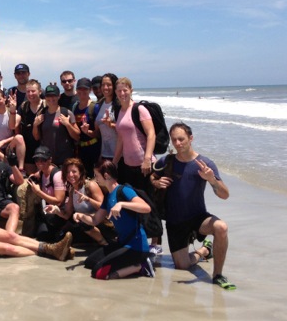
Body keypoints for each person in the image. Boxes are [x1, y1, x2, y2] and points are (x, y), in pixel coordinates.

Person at [151, 123, 235, 290]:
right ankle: (204, 251)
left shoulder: (204, 163)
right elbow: (151, 177)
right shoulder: (167, 161)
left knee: (221, 227)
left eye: (181, 139)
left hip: (198, 218)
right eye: (174, 140)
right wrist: (156, 182)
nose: (177, 143)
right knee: (182, 266)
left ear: (191, 138)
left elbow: (225, 195)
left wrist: (211, 179)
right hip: (175, 222)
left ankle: (217, 275)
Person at [75, 160, 153, 280]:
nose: (95, 179)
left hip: (136, 247)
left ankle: (140, 266)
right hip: (122, 243)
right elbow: (95, 220)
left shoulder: (124, 190)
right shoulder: (108, 197)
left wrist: (122, 204)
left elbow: (146, 208)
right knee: (89, 263)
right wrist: (80, 216)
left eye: (97, 176)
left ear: (106, 175)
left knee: (98, 273)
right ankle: (131, 263)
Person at [113, 76, 161, 252]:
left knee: (150, 204)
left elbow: (151, 134)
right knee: (134, 203)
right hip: (128, 165)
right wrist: (114, 162)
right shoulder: (120, 111)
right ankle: (139, 239)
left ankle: (156, 243)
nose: (122, 93)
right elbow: (121, 140)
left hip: (145, 165)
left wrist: (147, 158)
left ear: (131, 90)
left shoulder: (139, 109)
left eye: (125, 89)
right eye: (119, 90)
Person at [47, 158, 111, 246]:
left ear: (80, 172)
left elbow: (104, 207)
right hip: (84, 226)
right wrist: (56, 210)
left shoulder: (90, 185)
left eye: (74, 171)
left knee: (82, 221)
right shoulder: (72, 190)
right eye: (67, 172)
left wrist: (88, 199)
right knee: (60, 236)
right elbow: (67, 215)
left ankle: (105, 244)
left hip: (99, 223)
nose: (70, 175)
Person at [25, 146, 66, 242]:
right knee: (42, 236)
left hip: (59, 213)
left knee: (51, 237)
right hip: (47, 212)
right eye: (37, 160)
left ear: (50, 160)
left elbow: (59, 201)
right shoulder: (42, 172)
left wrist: (39, 192)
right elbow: (35, 175)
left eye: (43, 160)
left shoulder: (57, 176)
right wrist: (32, 178)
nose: (39, 163)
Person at [32, 84, 78, 166]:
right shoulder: (41, 113)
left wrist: (68, 124)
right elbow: (36, 137)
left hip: (65, 160)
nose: (51, 99)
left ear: (59, 96)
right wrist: (35, 125)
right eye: (48, 96)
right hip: (47, 160)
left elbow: (77, 136)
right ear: (45, 97)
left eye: (54, 96)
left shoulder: (66, 113)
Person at [73, 78, 100, 174]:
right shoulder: (75, 107)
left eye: (85, 89)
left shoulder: (95, 107)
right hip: (80, 150)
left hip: (94, 149)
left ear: (90, 90)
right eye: (80, 89)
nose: (82, 91)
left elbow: (98, 134)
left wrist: (87, 132)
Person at [17, 79, 44, 175]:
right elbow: (13, 125)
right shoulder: (23, 107)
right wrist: (12, 111)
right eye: (28, 91)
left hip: (43, 147)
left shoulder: (46, 106)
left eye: (33, 91)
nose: (30, 94)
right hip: (28, 148)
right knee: (32, 178)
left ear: (40, 91)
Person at [93, 73, 120, 164]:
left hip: (120, 155)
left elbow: (128, 129)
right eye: (103, 85)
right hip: (105, 154)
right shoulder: (100, 104)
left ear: (114, 86)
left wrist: (112, 124)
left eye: (109, 85)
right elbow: (101, 133)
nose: (105, 87)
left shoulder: (119, 104)